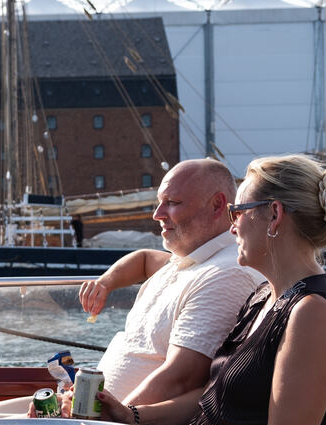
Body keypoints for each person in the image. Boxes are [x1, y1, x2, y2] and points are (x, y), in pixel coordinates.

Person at [98, 154, 326, 425]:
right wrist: (135, 417)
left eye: (238, 210)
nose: (232, 225)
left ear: (273, 215)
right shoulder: (262, 298)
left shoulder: (312, 313)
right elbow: (211, 395)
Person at [78, 159, 264, 405]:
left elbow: (181, 380)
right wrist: (105, 283)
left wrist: (103, 420)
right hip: (99, 413)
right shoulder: (189, 261)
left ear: (217, 205)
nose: (157, 214)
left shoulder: (224, 275)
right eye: (159, 202)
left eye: (172, 203)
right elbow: (143, 259)